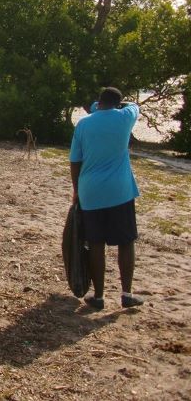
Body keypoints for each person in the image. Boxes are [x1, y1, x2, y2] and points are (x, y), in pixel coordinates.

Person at [70, 87, 143, 310]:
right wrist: (120, 106)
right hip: (120, 191)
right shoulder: (124, 118)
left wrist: (76, 190)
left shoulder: (83, 124)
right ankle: (127, 293)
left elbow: (75, 161)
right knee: (126, 242)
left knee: (95, 244)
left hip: (91, 191)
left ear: (99, 101)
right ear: (117, 104)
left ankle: (99, 296)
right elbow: (134, 106)